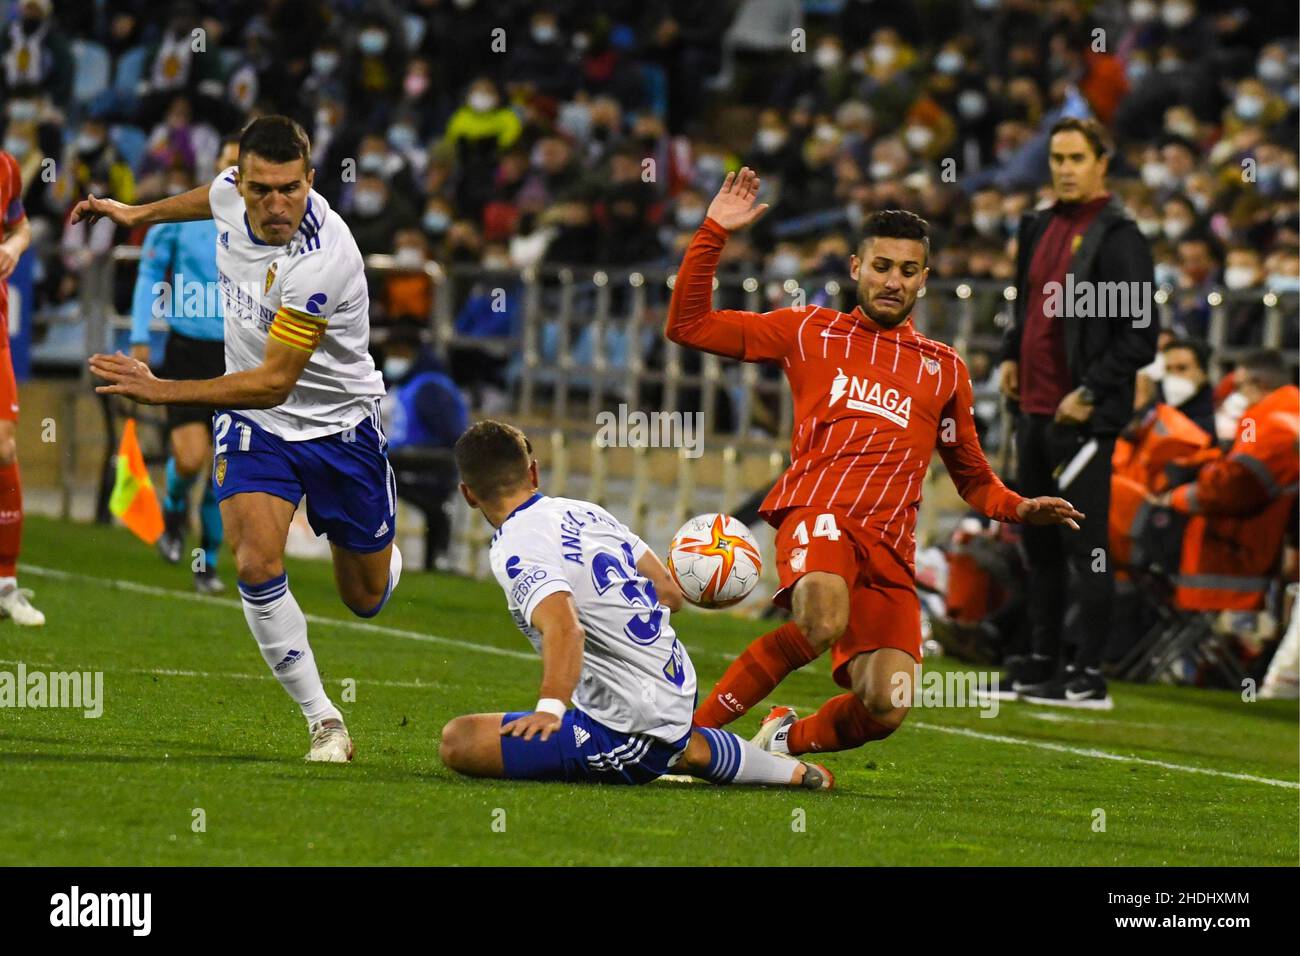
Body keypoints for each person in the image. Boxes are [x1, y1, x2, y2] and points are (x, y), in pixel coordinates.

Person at [667, 169, 1082, 758]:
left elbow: (971, 476)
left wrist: (1018, 506)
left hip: (889, 548)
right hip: (820, 514)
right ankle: (686, 741)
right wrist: (713, 232)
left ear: (924, 280)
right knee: (821, 620)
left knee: (886, 705)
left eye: (908, 271)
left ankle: (785, 737)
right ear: (857, 268)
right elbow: (687, 324)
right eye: (882, 266)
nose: (894, 281)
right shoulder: (809, 330)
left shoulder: (943, 369)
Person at [77, 116, 400, 763]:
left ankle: (380, 555)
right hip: (259, 429)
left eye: (290, 189)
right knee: (254, 561)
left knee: (362, 597)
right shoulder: (231, 190)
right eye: (260, 190)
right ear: (243, 181)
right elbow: (209, 197)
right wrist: (140, 215)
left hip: (338, 426)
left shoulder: (323, 260)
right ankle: (325, 721)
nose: (275, 204)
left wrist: (160, 389)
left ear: (311, 180)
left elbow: (273, 382)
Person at [439, 420, 832, 790]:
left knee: (459, 741)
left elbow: (566, 629)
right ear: (534, 473)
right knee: (681, 744)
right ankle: (791, 771)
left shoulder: (516, 546)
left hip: (631, 725)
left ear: (469, 495)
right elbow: (670, 593)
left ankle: (662, 745)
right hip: (675, 684)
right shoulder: (585, 512)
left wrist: (550, 708)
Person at [997, 117, 1158, 708]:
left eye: (1076, 158)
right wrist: (1012, 356)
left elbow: (1141, 334)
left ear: (1101, 163)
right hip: (1034, 411)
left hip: (1082, 418)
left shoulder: (1120, 236)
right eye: (1057, 157)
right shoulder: (1037, 225)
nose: (1064, 167)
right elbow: (1026, 308)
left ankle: (1088, 673)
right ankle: (1042, 661)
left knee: (1086, 545)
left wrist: (1089, 391)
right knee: (1037, 543)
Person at [129, 135, 240, 593]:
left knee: (226, 464)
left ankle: (206, 565)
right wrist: (139, 334)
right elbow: (149, 273)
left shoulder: (269, 226)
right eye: (230, 164)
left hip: (239, 355)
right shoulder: (186, 215)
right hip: (188, 350)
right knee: (192, 458)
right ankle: (173, 511)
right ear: (216, 167)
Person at [379, 327, 468, 570]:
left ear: (413, 353)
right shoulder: (407, 385)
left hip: (432, 460)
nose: (392, 360)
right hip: (410, 458)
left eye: (397, 353)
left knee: (372, 466)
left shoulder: (431, 388)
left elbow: (452, 435)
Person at [0, 143, 42, 626]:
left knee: (5, 447)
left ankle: (6, 584)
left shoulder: (7, 167)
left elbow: (21, 224)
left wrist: (13, 245)